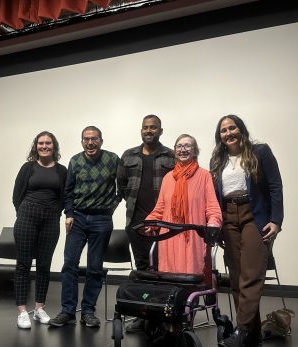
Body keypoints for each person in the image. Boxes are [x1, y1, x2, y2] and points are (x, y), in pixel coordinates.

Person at [209, 114, 283, 347]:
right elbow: (215, 195)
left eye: (232, 128)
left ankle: (240, 332)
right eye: (223, 130)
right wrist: (217, 224)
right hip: (228, 216)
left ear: (241, 129)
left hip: (254, 214)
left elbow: (275, 185)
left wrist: (276, 220)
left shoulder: (260, 152)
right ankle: (252, 335)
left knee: (251, 275)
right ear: (219, 136)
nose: (228, 133)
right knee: (237, 278)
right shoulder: (218, 160)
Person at [49, 126, 120, 328]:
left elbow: (122, 187)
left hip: (101, 220)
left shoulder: (113, 159)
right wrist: (69, 213)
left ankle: (88, 311)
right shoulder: (75, 161)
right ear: (82, 142)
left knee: (95, 268)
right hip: (77, 219)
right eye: (86, 139)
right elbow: (68, 191)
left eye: (94, 139)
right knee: (69, 264)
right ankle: (68, 311)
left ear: (101, 141)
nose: (90, 143)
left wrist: (110, 207)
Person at [117, 115, 175, 333]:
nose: (149, 131)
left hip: (164, 224)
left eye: (153, 127)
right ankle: (143, 315)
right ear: (141, 130)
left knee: (162, 271)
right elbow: (122, 186)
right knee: (142, 270)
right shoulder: (128, 155)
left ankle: (161, 316)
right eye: (145, 127)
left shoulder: (170, 155)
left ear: (160, 130)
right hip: (136, 222)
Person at [12, 131, 68, 329]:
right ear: (36, 146)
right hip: (27, 217)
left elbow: (64, 197)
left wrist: (53, 212)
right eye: (41, 143)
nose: (44, 146)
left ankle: (39, 309)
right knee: (23, 265)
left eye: (48, 143)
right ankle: (22, 312)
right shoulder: (28, 168)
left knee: (44, 265)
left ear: (54, 146)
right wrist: (25, 212)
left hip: (50, 220)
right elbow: (16, 196)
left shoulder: (62, 171)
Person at [146, 134, 222, 275]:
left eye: (187, 146)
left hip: (193, 237)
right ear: (175, 151)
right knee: (170, 280)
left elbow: (212, 208)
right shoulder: (168, 178)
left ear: (195, 151)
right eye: (179, 146)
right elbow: (160, 208)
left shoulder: (205, 176)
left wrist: (213, 225)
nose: (183, 149)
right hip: (169, 237)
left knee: (192, 280)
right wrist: (149, 222)